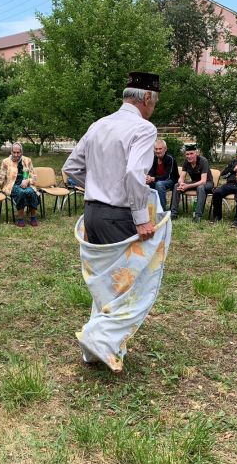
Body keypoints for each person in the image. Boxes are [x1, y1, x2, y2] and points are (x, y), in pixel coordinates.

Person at [63, 71, 172, 373]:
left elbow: (71, 168)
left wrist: (98, 185)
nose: (154, 107)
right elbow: (135, 175)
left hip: (92, 213)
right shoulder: (144, 128)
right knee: (127, 286)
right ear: (146, 98)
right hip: (120, 214)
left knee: (104, 283)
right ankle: (97, 340)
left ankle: (98, 350)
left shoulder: (99, 125)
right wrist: (141, 218)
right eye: (155, 102)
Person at [0, 143, 40, 227]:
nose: (16, 155)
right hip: (12, 186)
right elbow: (1, 176)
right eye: (14, 152)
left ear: (21, 152)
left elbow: (33, 176)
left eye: (18, 152)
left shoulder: (27, 160)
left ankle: (33, 217)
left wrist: (28, 180)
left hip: (27, 185)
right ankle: (20, 218)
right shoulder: (6, 161)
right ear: (11, 152)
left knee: (32, 192)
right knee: (21, 192)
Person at [175, 145, 213, 222]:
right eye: (187, 154)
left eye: (191, 153)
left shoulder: (203, 161)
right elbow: (181, 177)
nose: (189, 156)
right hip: (194, 182)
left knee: (200, 187)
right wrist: (181, 183)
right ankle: (173, 213)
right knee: (177, 185)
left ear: (196, 153)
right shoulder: (186, 161)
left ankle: (197, 216)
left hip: (207, 183)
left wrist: (187, 186)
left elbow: (203, 181)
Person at [146, 138, 179, 219]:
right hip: (157, 180)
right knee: (145, 184)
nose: (158, 151)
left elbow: (167, 176)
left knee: (159, 184)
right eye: (156, 149)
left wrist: (153, 179)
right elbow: (151, 171)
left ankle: (162, 211)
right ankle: (148, 210)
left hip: (171, 181)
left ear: (165, 149)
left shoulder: (170, 158)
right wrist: (149, 177)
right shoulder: (154, 158)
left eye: (160, 149)